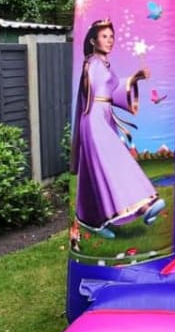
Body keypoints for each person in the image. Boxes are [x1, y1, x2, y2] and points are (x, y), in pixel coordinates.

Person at [70, 19, 165, 239]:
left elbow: (114, 90)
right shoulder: (91, 64)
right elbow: (92, 92)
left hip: (104, 117)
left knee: (92, 172)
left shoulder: (105, 65)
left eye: (111, 37)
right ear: (93, 40)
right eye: (104, 36)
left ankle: (90, 219)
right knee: (115, 162)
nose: (110, 40)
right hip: (94, 119)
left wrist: (136, 77)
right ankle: (144, 206)